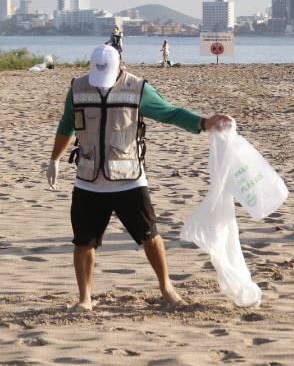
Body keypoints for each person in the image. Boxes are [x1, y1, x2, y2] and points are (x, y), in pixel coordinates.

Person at [46, 45, 233, 311]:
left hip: (129, 177)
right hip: (88, 178)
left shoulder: (137, 88)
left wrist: (204, 123)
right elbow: (66, 124)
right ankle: (85, 298)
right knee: (84, 241)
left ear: (120, 66)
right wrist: (54, 159)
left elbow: (170, 113)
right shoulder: (77, 88)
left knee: (149, 236)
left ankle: (167, 288)